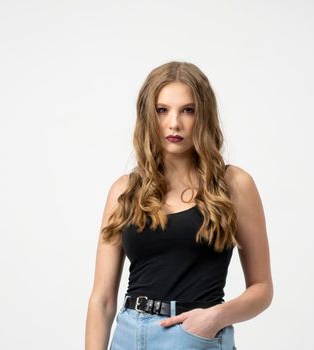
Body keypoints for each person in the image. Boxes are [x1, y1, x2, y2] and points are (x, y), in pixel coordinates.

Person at [85, 61, 273, 350]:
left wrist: (214, 318)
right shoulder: (125, 190)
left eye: (188, 110)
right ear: (149, 116)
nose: (174, 123)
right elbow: (103, 299)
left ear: (204, 115)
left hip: (195, 337)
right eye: (162, 110)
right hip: (129, 337)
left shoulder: (233, 185)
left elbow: (262, 289)